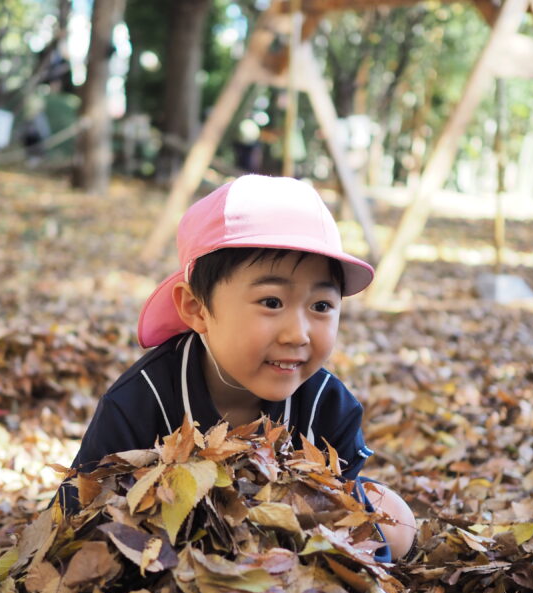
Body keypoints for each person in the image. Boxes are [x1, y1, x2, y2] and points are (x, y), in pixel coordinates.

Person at [55, 175, 416, 561]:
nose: (298, 334)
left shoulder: (327, 407)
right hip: (168, 556)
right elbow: (74, 521)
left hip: (285, 556)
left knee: (397, 519)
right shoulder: (142, 401)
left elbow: (349, 527)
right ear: (196, 308)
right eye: (272, 302)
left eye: (321, 306)